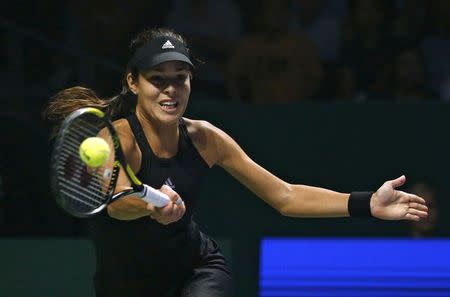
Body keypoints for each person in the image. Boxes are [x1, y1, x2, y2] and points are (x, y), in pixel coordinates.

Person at [44, 28, 428, 297]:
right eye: (157, 79)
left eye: (180, 78)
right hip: (124, 286)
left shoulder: (206, 138)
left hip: (196, 271)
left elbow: (286, 197)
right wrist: (150, 204)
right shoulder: (114, 139)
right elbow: (117, 204)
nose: (170, 90)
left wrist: (365, 203)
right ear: (133, 83)